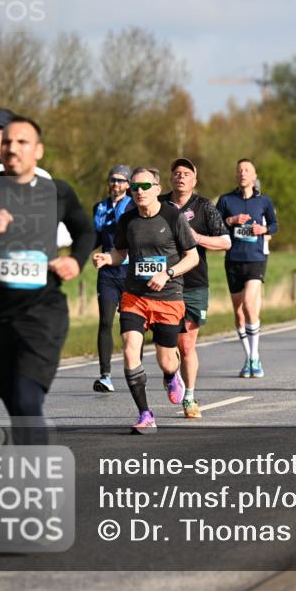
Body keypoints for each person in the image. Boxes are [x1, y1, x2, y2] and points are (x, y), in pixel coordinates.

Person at [0, 116, 95, 443]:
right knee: (18, 406)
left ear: (38, 151)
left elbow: (85, 231)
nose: (12, 148)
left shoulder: (56, 191)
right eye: (7, 142)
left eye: (22, 142)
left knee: (27, 401)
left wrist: (75, 259)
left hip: (41, 313)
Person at [92, 167, 198, 433]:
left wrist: (168, 273)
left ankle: (172, 376)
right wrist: (108, 258)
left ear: (157, 189)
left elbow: (193, 257)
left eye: (145, 186)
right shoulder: (128, 220)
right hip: (135, 296)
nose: (140, 192)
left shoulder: (173, 217)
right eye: (135, 188)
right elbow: (120, 253)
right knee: (130, 348)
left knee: (167, 361)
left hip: (168, 297)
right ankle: (145, 414)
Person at [160, 158, 230, 419]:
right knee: (168, 343)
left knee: (187, 344)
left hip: (194, 284)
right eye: (176, 173)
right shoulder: (160, 205)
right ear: (170, 178)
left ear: (194, 180)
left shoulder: (204, 207)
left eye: (186, 173)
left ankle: (189, 397)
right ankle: (170, 373)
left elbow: (225, 242)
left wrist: (196, 238)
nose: (181, 177)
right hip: (163, 283)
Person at [215, 159, 278, 378]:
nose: (242, 173)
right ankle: (249, 356)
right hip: (233, 259)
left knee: (250, 305)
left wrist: (263, 229)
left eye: (247, 170)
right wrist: (230, 220)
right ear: (236, 175)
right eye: (239, 170)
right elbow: (214, 226)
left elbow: (274, 225)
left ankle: (254, 358)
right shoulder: (225, 200)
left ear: (254, 175)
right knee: (239, 312)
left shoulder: (264, 201)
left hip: (256, 259)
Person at [91, 165, 134, 393]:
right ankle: (105, 375)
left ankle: (136, 369)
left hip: (129, 273)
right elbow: (95, 237)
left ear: (128, 184)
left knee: (130, 326)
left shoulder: (134, 206)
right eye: (113, 179)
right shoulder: (99, 207)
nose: (116, 184)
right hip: (107, 273)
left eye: (120, 180)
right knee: (106, 322)